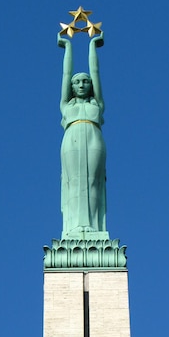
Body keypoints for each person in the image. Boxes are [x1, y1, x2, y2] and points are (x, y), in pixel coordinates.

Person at [58, 32, 108, 239]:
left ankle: (94, 227)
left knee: (93, 181)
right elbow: (64, 74)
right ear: (71, 87)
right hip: (72, 139)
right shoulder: (65, 106)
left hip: (94, 138)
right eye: (77, 82)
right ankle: (74, 227)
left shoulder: (97, 104)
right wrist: (68, 47)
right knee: (74, 181)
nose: (81, 85)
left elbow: (95, 71)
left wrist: (92, 47)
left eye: (85, 82)